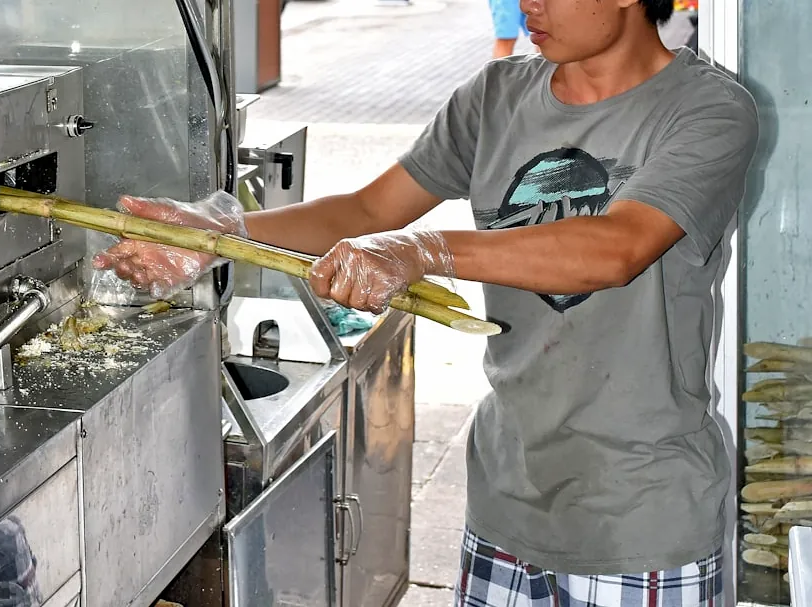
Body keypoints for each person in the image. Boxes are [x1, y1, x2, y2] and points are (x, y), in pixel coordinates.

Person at [93, 0, 760, 603]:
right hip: (506, 503)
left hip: (642, 518)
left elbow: (619, 247)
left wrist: (424, 250)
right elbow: (367, 208)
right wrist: (223, 233)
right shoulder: (498, 96)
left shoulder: (707, 108)